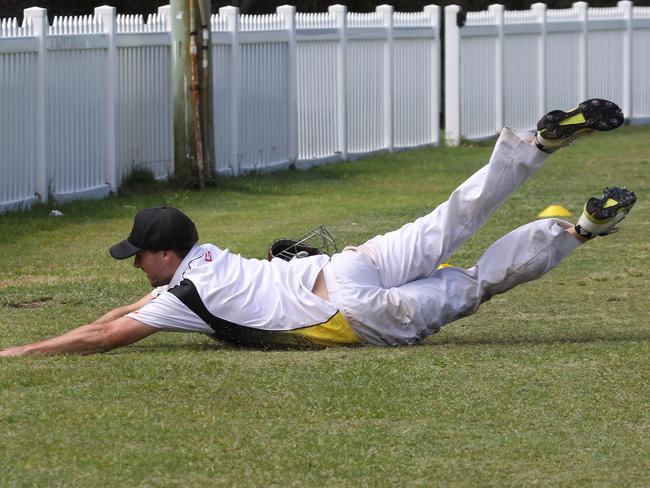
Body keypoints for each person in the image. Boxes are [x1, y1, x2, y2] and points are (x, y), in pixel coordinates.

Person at [0, 98, 636, 356]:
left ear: (166, 255)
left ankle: (576, 229)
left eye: (138, 255)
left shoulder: (181, 300)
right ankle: (535, 147)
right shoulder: (207, 259)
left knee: (472, 284)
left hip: (352, 312)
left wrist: (25, 350)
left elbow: (106, 333)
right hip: (345, 264)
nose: (136, 264)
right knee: (454, 215)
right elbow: (129, 304)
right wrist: (124, 305)